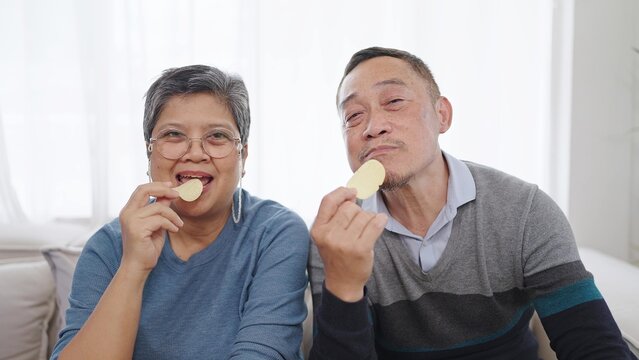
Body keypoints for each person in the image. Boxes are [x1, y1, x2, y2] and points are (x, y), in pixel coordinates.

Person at [307, 47, 637, 359]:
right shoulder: (338, 238)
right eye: (353, 116)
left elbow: (593, 346)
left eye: (393, 101)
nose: (372, 127)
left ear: (442, 116)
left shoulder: (524, 212)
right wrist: (344, 284)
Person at [50, 65, 310, 360]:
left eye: (217, 136)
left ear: (243, 156)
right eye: (173, 135)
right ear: (149, 154)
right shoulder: (107, 247)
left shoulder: (276, 233)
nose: (196, 153)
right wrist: (133, 268)